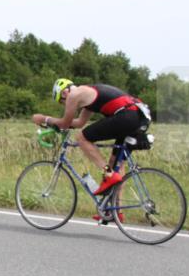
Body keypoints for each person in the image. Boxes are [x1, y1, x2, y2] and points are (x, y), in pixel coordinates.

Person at [33, 78, 150, 206]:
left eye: (62, 102)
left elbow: (65, 123)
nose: (65, 105)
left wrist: (45, 118)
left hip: (127, 116)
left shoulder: (74, 95)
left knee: (82, 138)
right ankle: (116, 211)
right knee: (116, 163)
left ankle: (108, 174)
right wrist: (54, 123)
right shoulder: (87, 95)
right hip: (138, 116)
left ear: (64, 93)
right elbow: (79, 123)